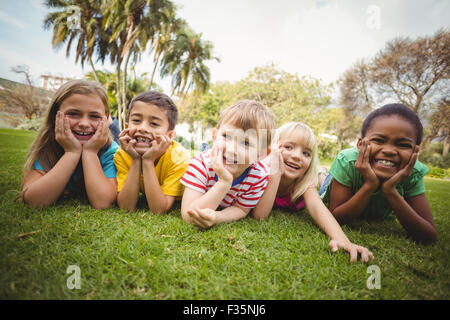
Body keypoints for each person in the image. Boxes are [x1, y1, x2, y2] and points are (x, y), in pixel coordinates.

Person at [253, 122, 374, 263]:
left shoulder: (304, 182)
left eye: (306, 153)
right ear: (272, 149)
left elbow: (317, 207)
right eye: (288, 147)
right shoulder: (259, 174)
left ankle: (321, 173)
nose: (297, 156)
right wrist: (275, 174)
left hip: (313, 181)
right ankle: (321, 173)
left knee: (324, 185)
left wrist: (344, 241)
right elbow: (260, 216)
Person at [322, 103, 437, 243]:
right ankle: (322, 174)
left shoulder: (414, 173)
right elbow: (336, 218)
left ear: (415, 151)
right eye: (378, 140)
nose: (389, 150)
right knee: (324, 181)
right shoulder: (347, 161)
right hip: (332, 182)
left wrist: (390, 190)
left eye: (403, 145)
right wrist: (370, 185)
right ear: (360, 144)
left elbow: (429, 236)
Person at [21, 80, 119, 209]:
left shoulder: (111, 151)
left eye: (94, 116)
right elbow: (34, 200)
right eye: (73, 114)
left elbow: (103, 202)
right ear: (55, 115)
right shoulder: (48, 144)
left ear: (106, 119)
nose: (84, 123)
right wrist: (71, 153)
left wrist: (90, 152)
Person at [180, 100, 274, 229]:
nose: (232, 149)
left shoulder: (258, 176)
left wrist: (217, 217)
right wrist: (224, 182)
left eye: (245, 143)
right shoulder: (201, 164)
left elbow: (241, 209)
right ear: (214, 136)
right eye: (226, 136)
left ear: (261, 154)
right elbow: (188, 215)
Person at [114, 91, 190, 213]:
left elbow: (159, 210)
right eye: (137, 120)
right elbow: (126, 207)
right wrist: (135, 159)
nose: (142, 128)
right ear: (127, 126)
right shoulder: (122, 154)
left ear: (170, 135)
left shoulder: (179, 159)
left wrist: (148, 161)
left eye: (154, 124)